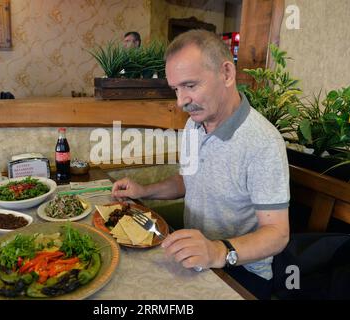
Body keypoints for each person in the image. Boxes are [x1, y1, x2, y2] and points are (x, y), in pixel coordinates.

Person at [112, 29, 290, 300]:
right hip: (193, 258)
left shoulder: (263, 142)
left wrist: (218, 251)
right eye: (176, 89)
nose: (181, 101)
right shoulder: (194, 124)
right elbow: (189, 179)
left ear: (227, 74)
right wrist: (143, 191)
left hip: (241, 273)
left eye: (190, 86)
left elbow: (277, 234)